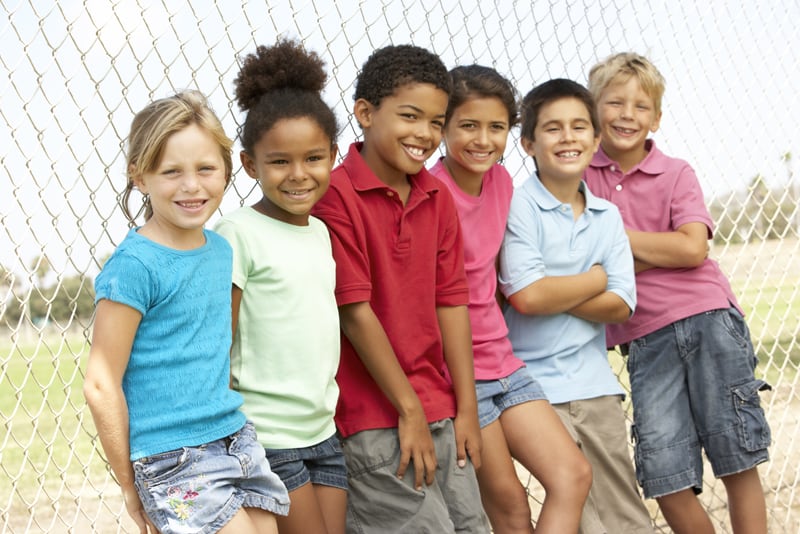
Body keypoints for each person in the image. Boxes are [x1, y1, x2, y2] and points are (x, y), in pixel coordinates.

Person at [83, 90, 289, 534]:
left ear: (227, 170)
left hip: (236, 438)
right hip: (171, 456)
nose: (192, 186)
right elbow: (101, 383)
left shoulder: (219, 250)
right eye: (171, 171)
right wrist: (128, 484)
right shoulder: (134, 266)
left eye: (206, 169)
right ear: (140, 177)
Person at [584, 52, 772, 534]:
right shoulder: (583, 177)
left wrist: (616, 244)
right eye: (615, 102)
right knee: (665, 474)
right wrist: (647, 251)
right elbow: (581, 259)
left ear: (657, 118)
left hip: (707, 317)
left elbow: (692, 249)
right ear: (592, 107)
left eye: (641, 106)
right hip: (645, 337)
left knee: (736, 456)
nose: (628, 114)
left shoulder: (676, 173)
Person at [311, 44, 490, 533]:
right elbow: (354, 310)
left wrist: (466, 410)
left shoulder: (437, 197)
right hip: (372, 415)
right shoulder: (334, 195)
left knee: (472, 526)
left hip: (439, 406)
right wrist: (407, 408)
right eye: (410, 116)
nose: (425, 134)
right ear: (366, 113)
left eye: (436, 122)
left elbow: (452, 302)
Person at [428, 65, 591, 534]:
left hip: (504, 362)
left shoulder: (502, 185)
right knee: (510, 506)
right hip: (458, 372)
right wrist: (456, 398)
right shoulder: (430, 193)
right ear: (444, 129)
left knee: (572, 475)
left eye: (496, 127)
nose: (483, 139)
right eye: (468, 125)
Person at [499, 78, 654, 534]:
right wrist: (596, 278)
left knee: (624, 510)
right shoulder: (519, 205)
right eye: (552, 128)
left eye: (579, 127)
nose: (568, 137)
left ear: (596, 139)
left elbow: (623, 303)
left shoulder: (608, 216)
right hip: (533, 386)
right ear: (528, 142)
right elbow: (527, 296)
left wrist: (555, 290)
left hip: (595, 384)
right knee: (579, 511)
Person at [213, 39, 346, 534]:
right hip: (267, 434)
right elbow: (216, 343)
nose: (298, 175)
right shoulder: (237, 234)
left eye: (313, 158)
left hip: (322, 429)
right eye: (279, 162)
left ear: (333, 155)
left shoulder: (321, 232)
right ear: (250, 165)